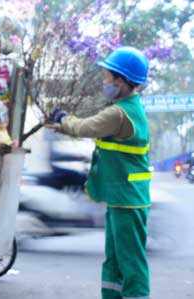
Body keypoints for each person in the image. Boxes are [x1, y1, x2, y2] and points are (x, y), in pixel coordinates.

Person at [46, 46, 151, 299]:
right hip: (121, 197)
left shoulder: (119, 112)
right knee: (114, 261)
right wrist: (61, 126)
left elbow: (86, 127)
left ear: (122, 81)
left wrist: (63, 118)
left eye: (107, 77)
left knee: (131, 263)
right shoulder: (128, 108)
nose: (104, 82)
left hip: (128, 199)